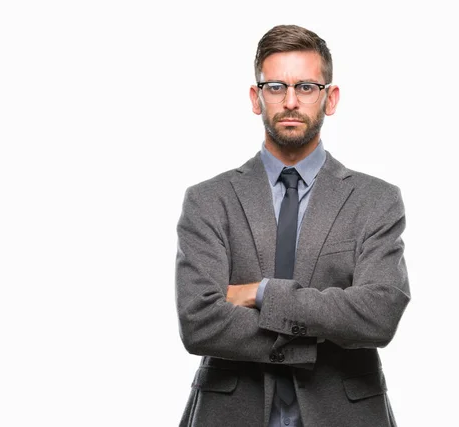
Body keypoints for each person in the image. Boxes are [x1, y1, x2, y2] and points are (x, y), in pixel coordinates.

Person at [175, 24, 410, 427]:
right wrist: (323, 328)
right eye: (275, 87)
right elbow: (199, 322)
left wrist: (261, 293)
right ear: (256, 97)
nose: (289, 101)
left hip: (345, 414)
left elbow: (377, 313)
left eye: (305, 87)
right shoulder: (208, 200)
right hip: (231, 412)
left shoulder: (376, 200)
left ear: (329, 98)